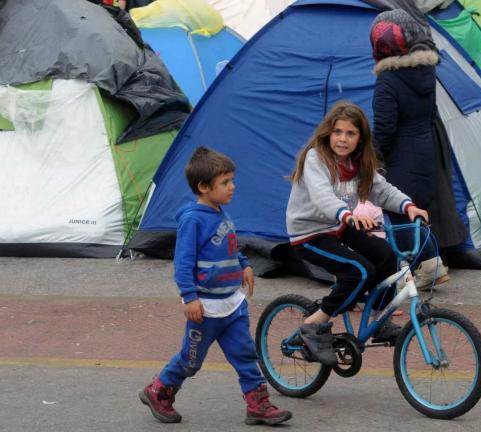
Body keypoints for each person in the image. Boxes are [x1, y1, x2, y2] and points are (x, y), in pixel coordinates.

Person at [139, 147, 292, 425]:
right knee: (191, 361)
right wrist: (189, 298)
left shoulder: (220, 212)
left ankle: (258, 405)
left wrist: (244, 264)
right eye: (225, 182)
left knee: (245, 354)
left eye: (232, 180)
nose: (232, 187)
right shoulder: (193, 219)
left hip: (232, 304)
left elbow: (229, 246)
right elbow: (183, 263)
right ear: (203, 186)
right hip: (206, 309)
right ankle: (158, 391)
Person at [286, 101, 429, 366]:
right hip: (309, 232)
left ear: (360, 138)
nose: (343, 139)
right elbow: (322, 197)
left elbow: (382, 190)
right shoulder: (316, 158)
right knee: (359, 271)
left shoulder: (358, 163)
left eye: (351, 133)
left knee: (386, 255)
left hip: (339, 225)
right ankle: (313, 325)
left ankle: (380, 321)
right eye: (338, 132)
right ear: (328, 133)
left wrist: (408, 206)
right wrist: (347, 215)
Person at [370, 9, 450, 289]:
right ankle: (430, 266)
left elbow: (384, 128)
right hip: (425, 150)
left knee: (399, 213)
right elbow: (431, 115)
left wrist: (372, 158)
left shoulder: (388, 80)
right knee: (416, 210)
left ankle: (423, 268)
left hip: (400, 158)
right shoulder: (426, 71)